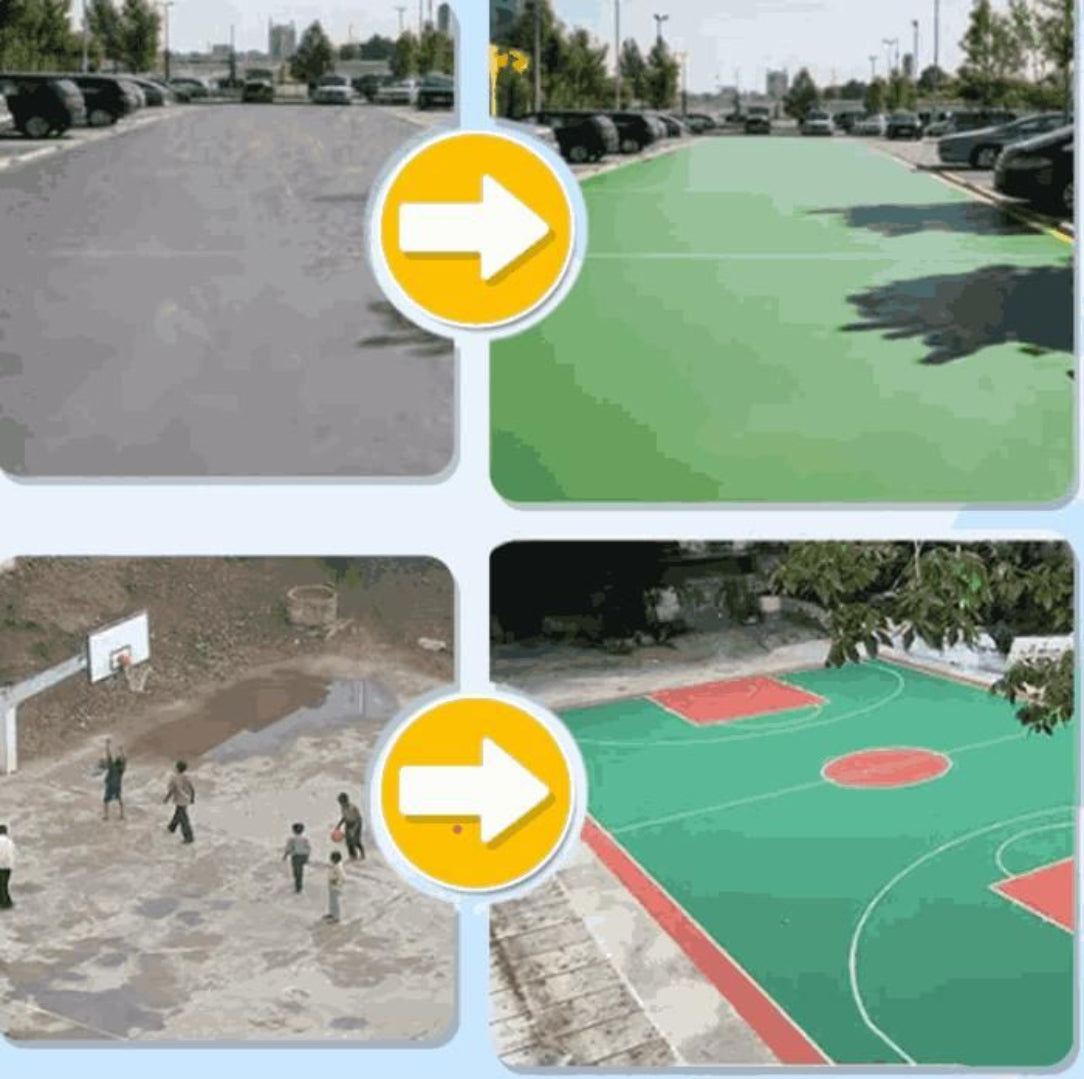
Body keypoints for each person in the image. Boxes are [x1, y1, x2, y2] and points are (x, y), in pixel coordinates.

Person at [164, 760, 195, 844]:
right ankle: (171, 828)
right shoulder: (187, 777)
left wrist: (167, 798)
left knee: (184, 819)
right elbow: (192, 788)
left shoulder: (174, 778)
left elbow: (172, 790)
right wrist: (192, 798)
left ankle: (189, 837)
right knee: (178, 813)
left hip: (179, 800)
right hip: (186, 799)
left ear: (177, 768)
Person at [100, 738, 127, 821]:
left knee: (106, 801)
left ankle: (106, 816)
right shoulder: (121, 770)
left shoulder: (112, 767)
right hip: (117, 786)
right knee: (119, 800)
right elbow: (125, 760)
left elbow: (108, 755)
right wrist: (122, 750)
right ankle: (122, 815)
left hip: (110, 786)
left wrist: (107, 745)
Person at [282, 822, 311, 894]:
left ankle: (298, 887)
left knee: (296, 872)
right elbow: (308, 848)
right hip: (303, 856)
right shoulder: (305, 839)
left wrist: (285, 855)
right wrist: (307, 857)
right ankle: (299, 885)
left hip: (296, 856)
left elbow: (288, 848)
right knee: (300, 871)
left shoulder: (292, 839)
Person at [336, 792, 365, 861]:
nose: (341, 804)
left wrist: (354, 829)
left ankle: (362, 855)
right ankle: (352, 856)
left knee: (355, 840)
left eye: (341, 802)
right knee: (348, 841)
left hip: (356, 823)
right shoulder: (343, 808)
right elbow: (344, 817)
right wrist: (339, 825)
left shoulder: (353, 807)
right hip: (348, 823)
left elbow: (358, 819)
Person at [325, 850, 345, 923]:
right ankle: (332, 913)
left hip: (336, 885)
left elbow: (343, 877)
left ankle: (336, 917)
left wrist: (337, 883)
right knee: (331, 900)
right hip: (332, 884)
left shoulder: (338, 867)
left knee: (336, 902)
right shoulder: (335, 865)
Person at [0, 824, 14, 910]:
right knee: (4, 885)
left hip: (0, 866)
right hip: (9, 866)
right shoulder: (10, 842)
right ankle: (8, 902)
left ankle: (4, 904)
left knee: (1, 886)